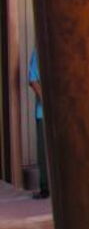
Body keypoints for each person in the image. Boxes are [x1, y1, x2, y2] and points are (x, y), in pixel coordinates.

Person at [28, 49, 48, 199]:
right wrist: (46, 101)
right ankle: (45, 188)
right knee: (44, 151)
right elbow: (33, 80)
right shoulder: (40, 51)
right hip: (44, 114)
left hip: (64, 116)